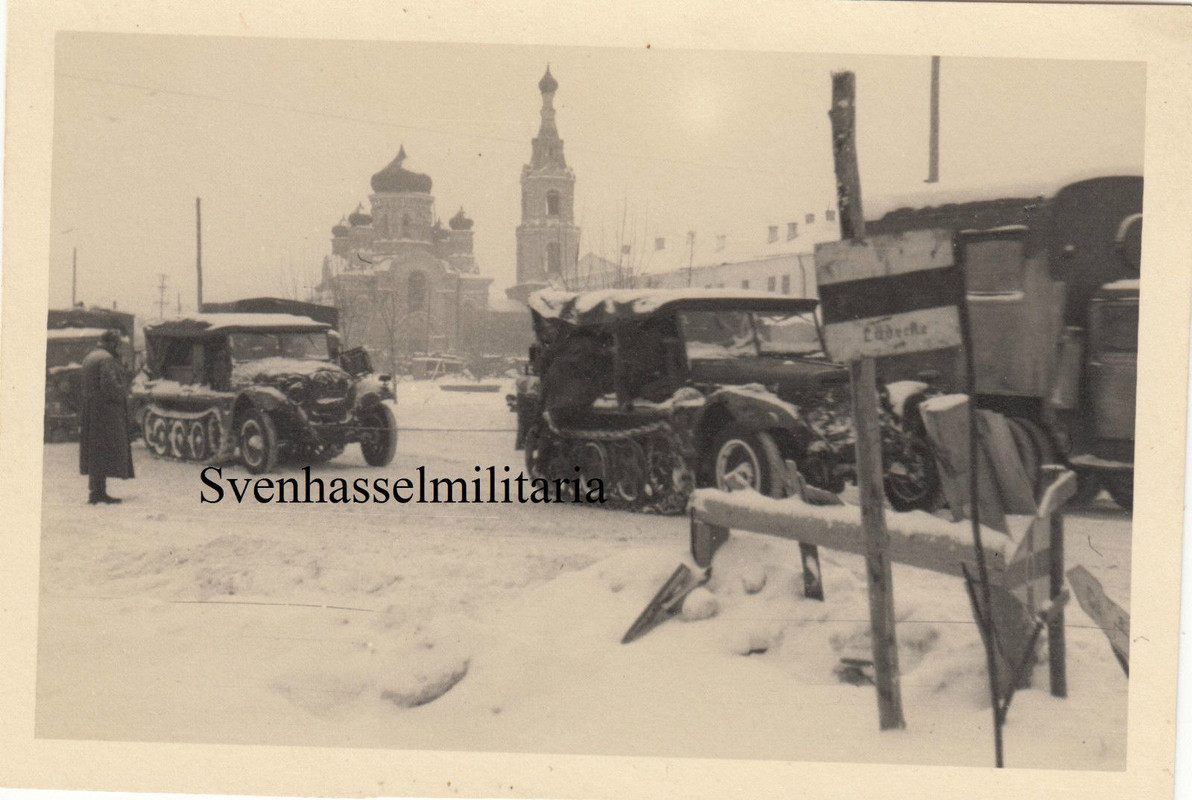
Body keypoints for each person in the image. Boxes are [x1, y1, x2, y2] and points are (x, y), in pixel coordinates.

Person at [79, 329, 134, 504]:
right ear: (112, 343)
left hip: (91, 411)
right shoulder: (107, 359)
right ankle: (98, 493)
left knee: (95, 451)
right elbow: (109, 386)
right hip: (106, 413)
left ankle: (96, 491)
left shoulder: (91, 356)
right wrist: (124, 395)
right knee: (104, 450)